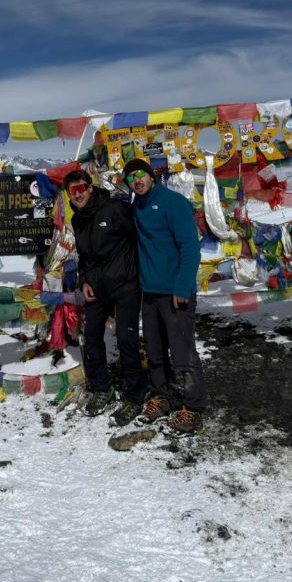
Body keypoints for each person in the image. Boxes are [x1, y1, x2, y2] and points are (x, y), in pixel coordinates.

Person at [123, 159, 207, 437]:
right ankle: (163, 397)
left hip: (175, 293)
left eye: (140, 175)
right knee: (155, 350)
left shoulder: (174, 203)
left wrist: (182, 286)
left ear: (151, 176)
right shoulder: (137, 207)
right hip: (150, 292)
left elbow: (190, 248)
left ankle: (193, 409)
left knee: (182, 352)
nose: (136, 181)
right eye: (130, 178)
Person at [63, 169, 148, 420]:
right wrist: (84, 281)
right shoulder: (78, 219)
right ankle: (102, 388)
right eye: (72, 191)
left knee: (126, 338)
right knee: (91, 337)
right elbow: (84, 256)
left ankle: (134, 396)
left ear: (90, 188)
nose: (78, 195)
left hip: (125, 284)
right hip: (96, 288)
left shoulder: (115, 210)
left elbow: (137, 240)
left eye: (81, 189)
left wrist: (136, 274)